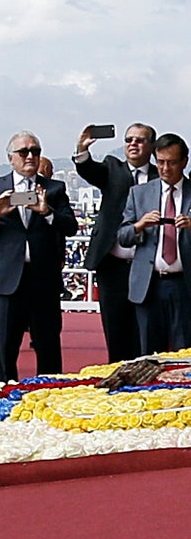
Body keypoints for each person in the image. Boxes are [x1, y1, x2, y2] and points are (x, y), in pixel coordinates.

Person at [0, 132, 79, 382]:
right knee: (4, 349)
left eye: (35, 151)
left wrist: (47, 211)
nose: (30, 156)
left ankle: (49, 397)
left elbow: (71, 226)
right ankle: (3, 398)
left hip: (43, 279)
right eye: (24, 152)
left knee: (48, 346)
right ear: (10, 157)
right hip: (5, 281)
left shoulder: (54, 188)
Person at [75, 123, 156, 362]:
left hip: (147, 264)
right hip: (112, 264)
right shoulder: (112, 168)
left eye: (140, 140)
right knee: (115, 327)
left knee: (145, 329)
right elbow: (89, 170)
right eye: (129, 139)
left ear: (151, 146)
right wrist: (82, 150)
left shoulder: (159, 175)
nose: (133, 144)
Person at [117, 132, 191, 353]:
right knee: (148, 354)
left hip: (184, 285)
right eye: (160, 162)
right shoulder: (139, 193)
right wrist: (139, 225)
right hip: (149, 285)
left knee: (184, 354)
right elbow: (122, 236)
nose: (165, 169)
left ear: (184, 163)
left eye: (172, 163)